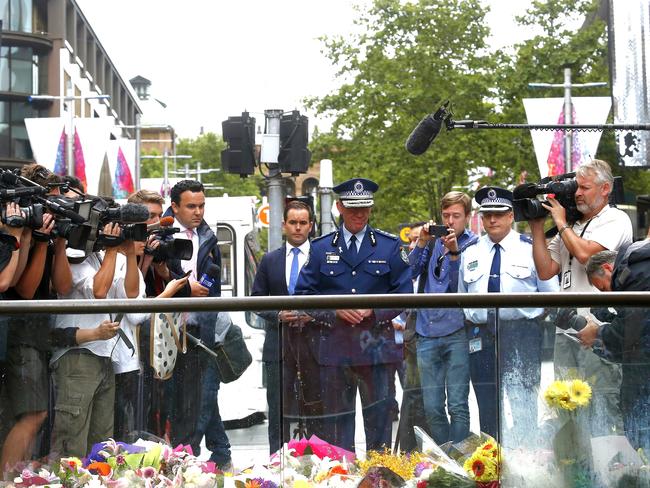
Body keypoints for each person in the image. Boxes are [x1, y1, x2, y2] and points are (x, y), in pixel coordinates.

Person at [294, 177, 412, 453]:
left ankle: (379, 479)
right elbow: (302, 295)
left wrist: (374, 308)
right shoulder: (322, 247)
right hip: (336, 349)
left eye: (365, 208)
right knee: (337, 430)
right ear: (339, 207)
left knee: (380, 426)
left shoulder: (389, 246)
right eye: (352, 207)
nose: (359, 214)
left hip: (377, 349)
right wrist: (334, 310)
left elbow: (405, 294)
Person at [529, 158, 632, 437]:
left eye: (584, 187)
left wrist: (561, 223)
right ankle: (576, 469)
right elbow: (545, 269)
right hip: (567, 330)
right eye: (576, 188)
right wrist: (537, 226)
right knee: (567, 409)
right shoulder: (570, 226)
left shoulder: (615, 219)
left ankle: (613, 470)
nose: (577, 194)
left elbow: (587, 255)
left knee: (602, 404)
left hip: (600, 330)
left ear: (605, 189)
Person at [459, 186, 559, 444]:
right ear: (481, 218)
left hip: (521, 333)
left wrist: (528, 318)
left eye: (500, 213)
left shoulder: (530, 248)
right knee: (487, 404)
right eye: (488, 214)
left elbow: (552, 294)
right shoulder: (470, 252)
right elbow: (463, 298)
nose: (493, 220)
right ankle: (491, 465)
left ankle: (527, 460)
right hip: (481, 335)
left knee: (523, 400)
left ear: (511, 215)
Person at [0, 165, 72, 474]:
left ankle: (17, 475)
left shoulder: (34, 235)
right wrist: (33, 239)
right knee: (33, 414)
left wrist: (57, 243)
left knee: (38, 416)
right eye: (50, 203)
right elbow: (23, 288)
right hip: (20, 333)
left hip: (39, 333)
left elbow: (63, 286)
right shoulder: (15, 234)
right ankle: (6, 477)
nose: (54, 211)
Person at [50, 222, 141, 457]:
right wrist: (112, 249)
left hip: (104, 355)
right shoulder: (75, 256)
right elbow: (99, 291)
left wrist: (130, 255)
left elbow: (131, 293)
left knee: (101, 441)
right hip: (78, 356)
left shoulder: (105, 258)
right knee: (72, 438)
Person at [163, 180, 231, 470]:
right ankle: (209, 453)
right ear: (175, 206)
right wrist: (185, 289)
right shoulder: (162, 234)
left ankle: (191, 455)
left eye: (202, 205)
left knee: (204, 393)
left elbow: (213, 286)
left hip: (200, 329)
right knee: (187, 399)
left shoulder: (209, 237)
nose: (198, 211)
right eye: (191, 206)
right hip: (169, 332)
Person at [251, 200, 322, 454]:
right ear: (283, 225)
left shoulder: (322, 258)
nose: (298, 228)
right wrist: (277, 314)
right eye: (293, 223)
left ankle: (318, 462)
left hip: (314, 347)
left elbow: (333, 298)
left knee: (315, 408)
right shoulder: (269, 260)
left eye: (303, 223)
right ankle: (276, 459)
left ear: (310, 226)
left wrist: (311, 315)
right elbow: (256, 300)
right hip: (278, 346)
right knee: (279, 410)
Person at [409, 191, 477, 445]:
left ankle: (460, 461)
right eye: (446, 215)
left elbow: (458, 287)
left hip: (457, 331)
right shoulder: (435, 241)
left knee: (458, 404)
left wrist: (455, 254)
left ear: (468, 217)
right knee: (432, 407)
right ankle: (443, 460)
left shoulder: (474, 244)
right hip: (426, 331)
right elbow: (411, 272)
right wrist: (422, 242)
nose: (450, 221)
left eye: (456, 216)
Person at [579, 245, 650, 452]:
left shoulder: (634, 275)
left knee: (639, 424)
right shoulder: (638, 270)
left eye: (602, 289)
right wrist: (606, 317)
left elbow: (633, 329)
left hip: (643, 369)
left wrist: (598, 333)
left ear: (608, 268)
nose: (606, 294)